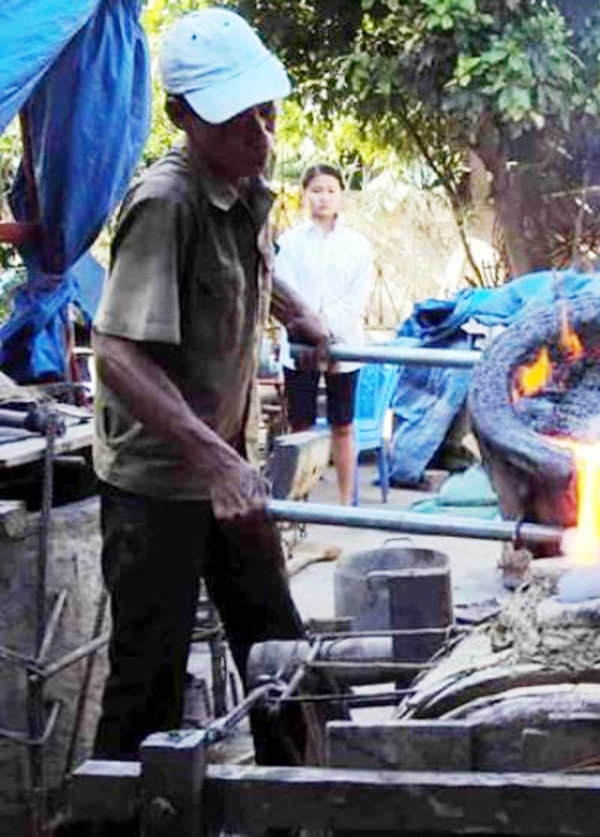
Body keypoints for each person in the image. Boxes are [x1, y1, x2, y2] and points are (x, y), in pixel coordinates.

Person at [90, 7, 332, 774]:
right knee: (147, 687)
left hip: (227, 466)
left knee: (279, 649)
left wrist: (303, 315)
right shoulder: (168, 202)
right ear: (183, 117)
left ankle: (299, 806)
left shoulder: (243, 183)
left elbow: (250, 265)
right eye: (238, 121)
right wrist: (213, 461)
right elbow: (117, 351)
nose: (261, 134)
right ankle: (116, 823)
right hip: (160, 485)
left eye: (267, 113)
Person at [275, 164, 375, 504]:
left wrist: (323, 326)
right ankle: (298, 504)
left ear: (341, 196)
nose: (323, 197)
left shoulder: (357, 246)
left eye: (331, 190)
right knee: (300, 426)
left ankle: (347, 503)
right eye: (316, 190)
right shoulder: (287, 244)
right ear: (304, 194)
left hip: (343, 345)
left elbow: (355, 301)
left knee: (343, 425)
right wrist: (307, 326)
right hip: (299, 345)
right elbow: (285, 296)